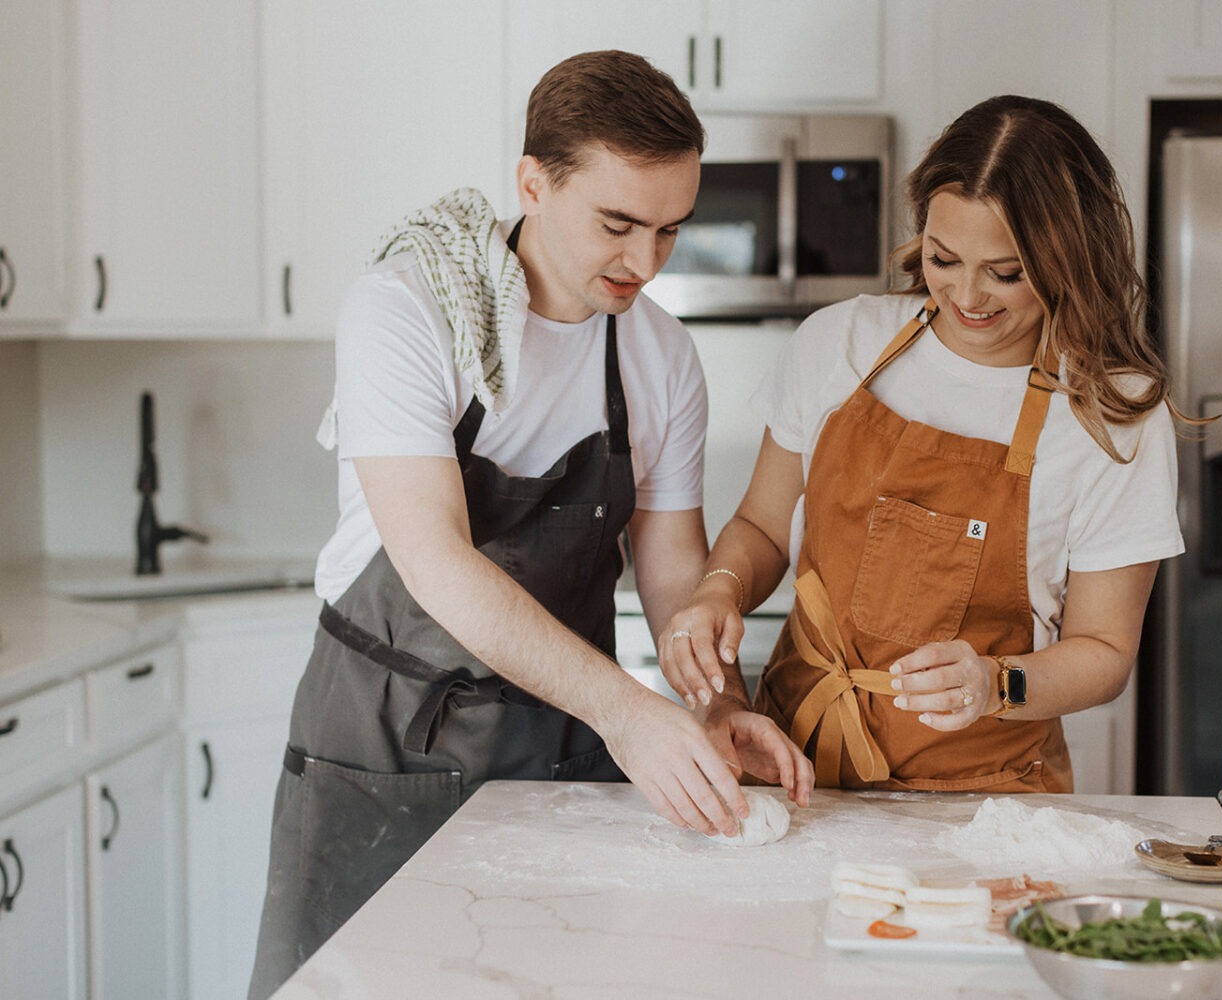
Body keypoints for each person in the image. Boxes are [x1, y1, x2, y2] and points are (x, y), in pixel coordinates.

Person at [248, 50, 812, 999]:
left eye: (672, 229)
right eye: (618, 224)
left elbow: (674, 573)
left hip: (556, 748)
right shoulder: (409, 310)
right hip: (384, 747)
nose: (646, 262)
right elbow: (434, 560)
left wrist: (718, 707)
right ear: (532, 184)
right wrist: (630, 710)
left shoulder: (662, 358)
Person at [659, 95, 1186, 794]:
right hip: (794, 768)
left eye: (1007, 272)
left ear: (1069, 259)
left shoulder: (1114, 415)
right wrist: (719, 591)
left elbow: (1106, 652)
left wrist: (996, 683)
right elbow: (761, 526)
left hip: (985, 798)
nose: (968, 295)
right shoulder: (840, 343)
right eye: (944, 258)